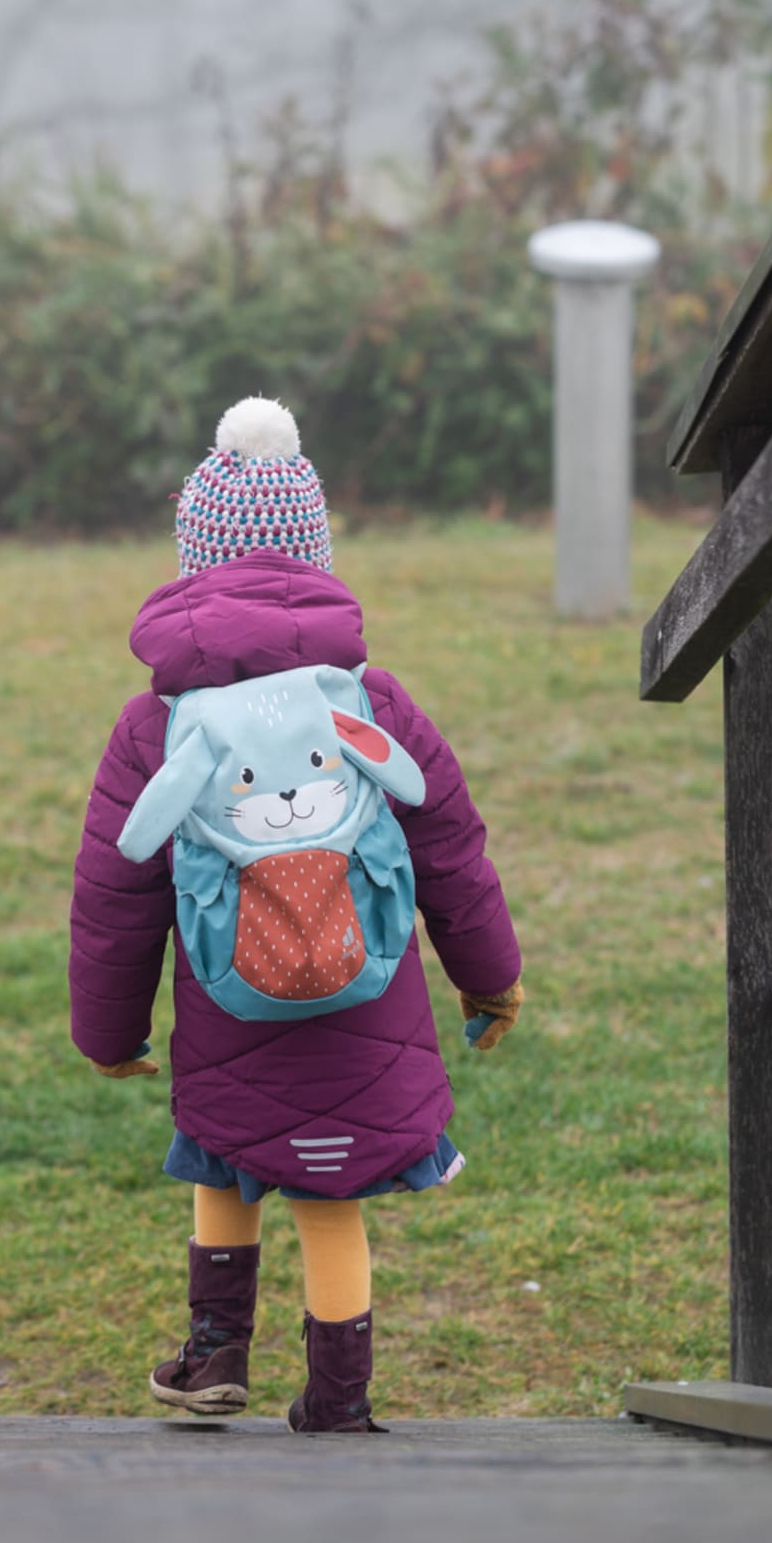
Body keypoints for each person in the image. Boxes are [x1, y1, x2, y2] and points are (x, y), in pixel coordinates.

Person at [69, 397, 522, 1433]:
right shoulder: (374, 704)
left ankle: (213, 1350)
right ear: (315, 561)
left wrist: (108, 1031)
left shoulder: (155, 726)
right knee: (331, 1200)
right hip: (368, 1008)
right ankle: (338, 1398)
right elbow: (454, 848)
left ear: (194, 568)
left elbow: (112, 894)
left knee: (226, 1164)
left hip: (232, 1015)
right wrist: (491, 976)